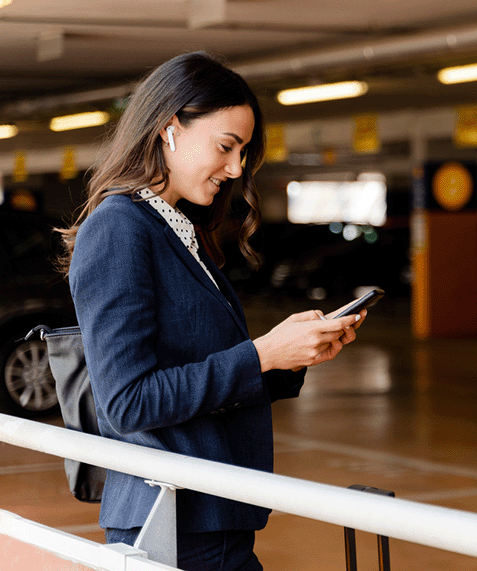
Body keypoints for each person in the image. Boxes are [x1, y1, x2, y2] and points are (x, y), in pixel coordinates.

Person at [58, 51, 364, 571]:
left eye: (243, 152)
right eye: (226, 147)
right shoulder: (120, 228)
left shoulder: (178, 230)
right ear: (169, 128)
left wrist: (287, 357)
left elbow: (199, 372)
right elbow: (128, 403)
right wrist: (260, 355)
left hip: (206, 515)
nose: (236, 168)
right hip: (174, 521)